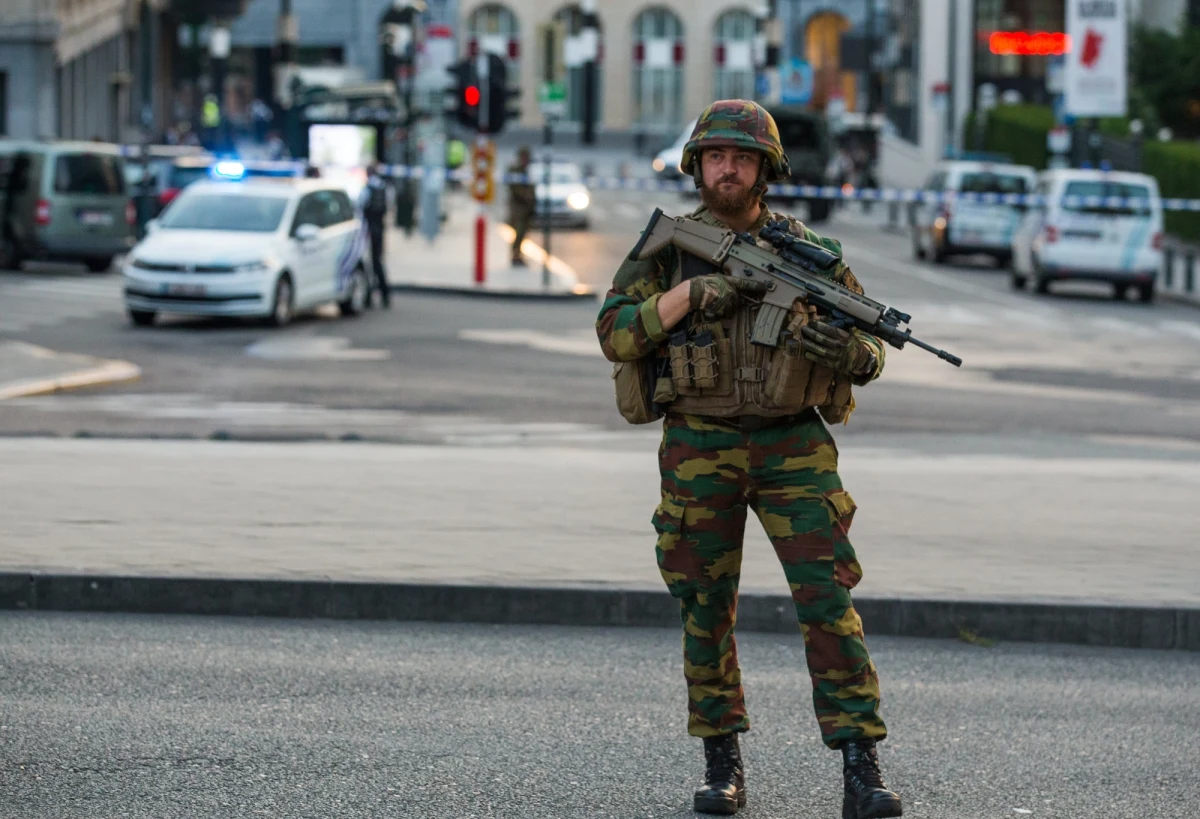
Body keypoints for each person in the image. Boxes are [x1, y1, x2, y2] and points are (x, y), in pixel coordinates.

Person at [595, 100, 902, 819]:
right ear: (697, 166)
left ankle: (861, 762)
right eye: (715, 157)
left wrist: (843, 351)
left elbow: (871, 351)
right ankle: (721, 759)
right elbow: (614, 333)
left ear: (766, 169)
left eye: (741, 158)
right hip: (699, 442)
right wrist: (688, 294)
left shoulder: (808, 252)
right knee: (705, 604)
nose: (727, 169)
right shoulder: (666, 251)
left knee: (828, 600)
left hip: (793, 443)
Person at [359, 163, 391, 308]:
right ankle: (384, 294)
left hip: (369, 229)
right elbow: (389, 205)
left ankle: (368, 297)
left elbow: (360, 206)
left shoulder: (367, 189)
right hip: (380, 228)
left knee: (370, 262)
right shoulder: (385, 187)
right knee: (378, 261)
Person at [505, 146, 536, 267]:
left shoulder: (526, 171)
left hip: (526, 208)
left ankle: (518, 254)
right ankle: (515, 254)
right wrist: (527, 196)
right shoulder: (515, 170)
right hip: (518, 207)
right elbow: (515, 188)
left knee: (523, 232)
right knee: (519, 231)